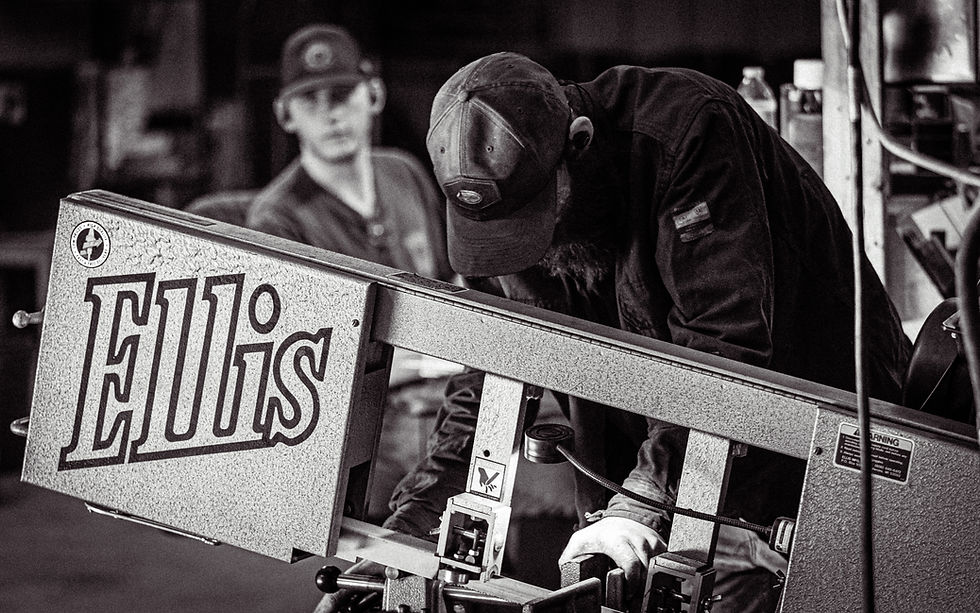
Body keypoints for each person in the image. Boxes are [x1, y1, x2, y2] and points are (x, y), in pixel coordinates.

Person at [318, 52, 913, 613]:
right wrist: (404, 539)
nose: (528, 250)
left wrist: (641, 502)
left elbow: (725, 358)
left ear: (578, 143)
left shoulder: (689, 132)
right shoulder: (503, 205)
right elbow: (488, 374)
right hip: (652, 486)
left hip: (817, 476)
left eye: (533, 220)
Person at [246, 24, 452, 281]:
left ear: (374, 95)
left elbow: (450, 280)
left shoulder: (404, 172)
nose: (330, 114)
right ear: (284, 115)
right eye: (309, 99)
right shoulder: (277, 219)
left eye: (341, 95)